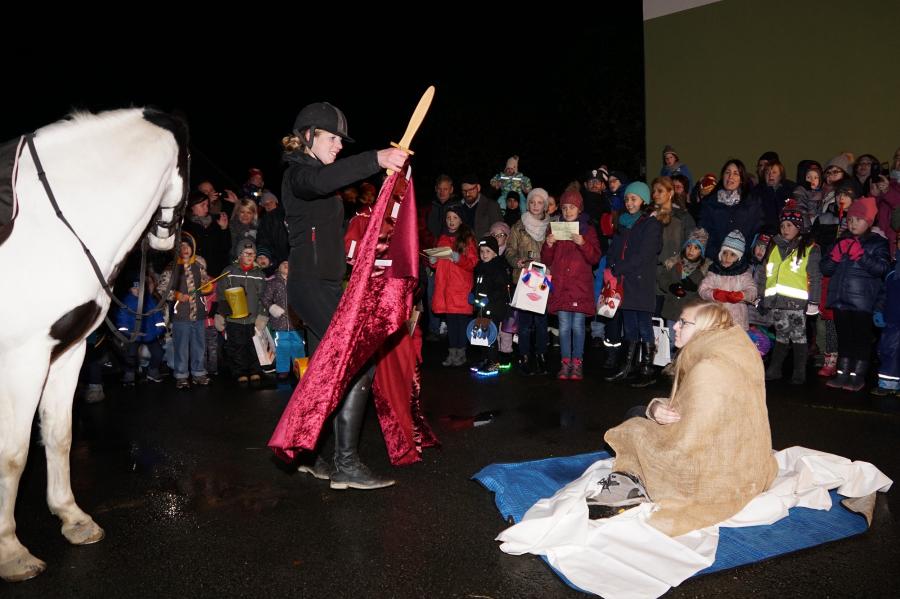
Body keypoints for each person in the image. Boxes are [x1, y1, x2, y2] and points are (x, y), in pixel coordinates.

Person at [281, 101, 407, 489]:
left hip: (327, 286)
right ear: (307, 137)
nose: (338, 145)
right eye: (332, 138)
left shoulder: (321, 175)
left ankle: (308, 453)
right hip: (310, 286)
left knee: (324, 372)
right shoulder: (298, 174)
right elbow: (321, 182)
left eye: (340, 140)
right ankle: (346, 466)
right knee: (358, 363)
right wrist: (376, 157)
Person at [603, 299, 777, 537]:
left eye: (683, 323)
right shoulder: (734, 350)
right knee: (645, 412)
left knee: (633, 422)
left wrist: (651, 421)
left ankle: (630, 481)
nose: (675, 326)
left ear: (704, 328)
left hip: (709, 472)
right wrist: (656, 408)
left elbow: (688, 438)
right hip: (750, 464)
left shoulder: (710, 367)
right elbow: (687, 407)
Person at [821, 197, 890, 391]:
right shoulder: (841, 240)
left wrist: (861, 255)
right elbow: (825, 268)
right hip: (841, 300)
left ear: (869, 222)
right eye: (850, 219)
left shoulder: (878, 243)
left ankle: (857, 376)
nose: (852, 223)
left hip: (863, 303)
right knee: (844, 339)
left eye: (858, 219)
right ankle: (842, 375)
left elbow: (882, 268)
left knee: (860, 340)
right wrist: (834, 256)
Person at [757, 201, 821, 385]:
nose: (785, 229)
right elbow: (764, 272)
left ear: (799, 228)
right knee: (782, 335)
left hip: (796, 303)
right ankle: (775, 369)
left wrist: (814, 302)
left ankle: (799, 371)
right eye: (783, 225)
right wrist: (762, 296)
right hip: (777, 301)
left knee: (798, 336)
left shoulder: (809, 248)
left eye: (790, 225)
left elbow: (815, 277)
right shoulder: (774, 247)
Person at [541, 189, 601, 380]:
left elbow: (595, 257)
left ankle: (577, 363)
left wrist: (583, 243)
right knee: (564, 326)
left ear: (579, 209)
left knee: (578, 326)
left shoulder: (587, 229)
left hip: (580, 287)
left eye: (572, 207)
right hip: (561, 286)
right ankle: (565, 362)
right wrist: (549, 245)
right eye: (565, 207)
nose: (567, 211)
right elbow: (546, 259)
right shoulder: (554, 228)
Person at [159, 232, 212, 389]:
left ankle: (199, 373)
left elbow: (205, 283)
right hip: (180, 315)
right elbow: (161, 289)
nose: (185, 249)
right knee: (181, 346)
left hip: (199, 314)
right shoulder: (171, 268)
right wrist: (176, 295)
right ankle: (181, 375)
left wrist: (207, 286)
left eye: (188, 246)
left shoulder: (199, 265)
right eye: (181, 246)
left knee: (199, 345)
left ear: (192, 247)